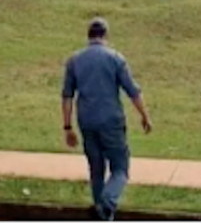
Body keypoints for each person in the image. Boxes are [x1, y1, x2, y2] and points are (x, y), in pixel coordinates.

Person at [61, 17, 152, 221]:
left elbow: (67, 95)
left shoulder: (74, 60)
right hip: (111, 121)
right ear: (106, 35)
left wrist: (67, 126)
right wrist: (145, 116)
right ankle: (107, 202)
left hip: (87, 121)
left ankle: (102, 214)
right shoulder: (115, 59)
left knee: (96, 170)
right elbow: (132, 91)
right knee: (120, 168)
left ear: (88, 36)